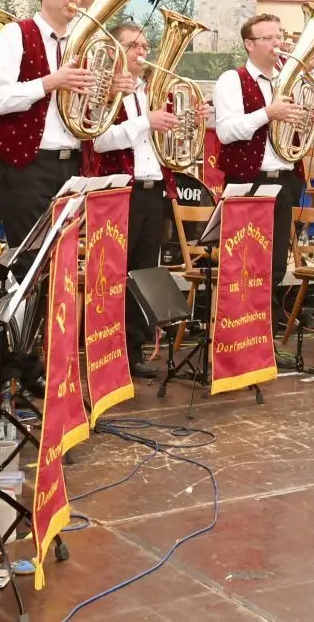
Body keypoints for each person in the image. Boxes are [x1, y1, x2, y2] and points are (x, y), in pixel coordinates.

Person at [87, 22, 207, 377]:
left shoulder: (153, 92)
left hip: (155, 192)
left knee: (144, 273)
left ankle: (133, 349)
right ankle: (106, 348)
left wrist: (189, 121)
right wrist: (144, 122)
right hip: (122, 192)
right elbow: (98, 140)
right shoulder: (103, 91)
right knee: (114, 273)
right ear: (115, 51)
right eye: (133, 46)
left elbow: (174, 145)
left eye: (145, 45)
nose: (143, 53)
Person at [213, 13, 314, 329]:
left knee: (275, 263)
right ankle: (238, 324)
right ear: (249, 44)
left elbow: (295, 135)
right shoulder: (232, 80)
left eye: (280, 36)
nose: (279, 43)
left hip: (285, 178)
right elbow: (226, 132)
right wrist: (267, 113)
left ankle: (264, 322)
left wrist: (311, 119)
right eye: (269, 38)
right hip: (249, 180)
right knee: (243, 261)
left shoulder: (289, 81)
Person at [0, 0, 95, 260]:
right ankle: (22, 308)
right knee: (32, 262)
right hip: (27, 164)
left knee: (65, 261)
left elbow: (88, 114)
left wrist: (104, 95)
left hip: (71, 166)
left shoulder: (82, 46)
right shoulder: (14, 34)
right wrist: (49, 83)